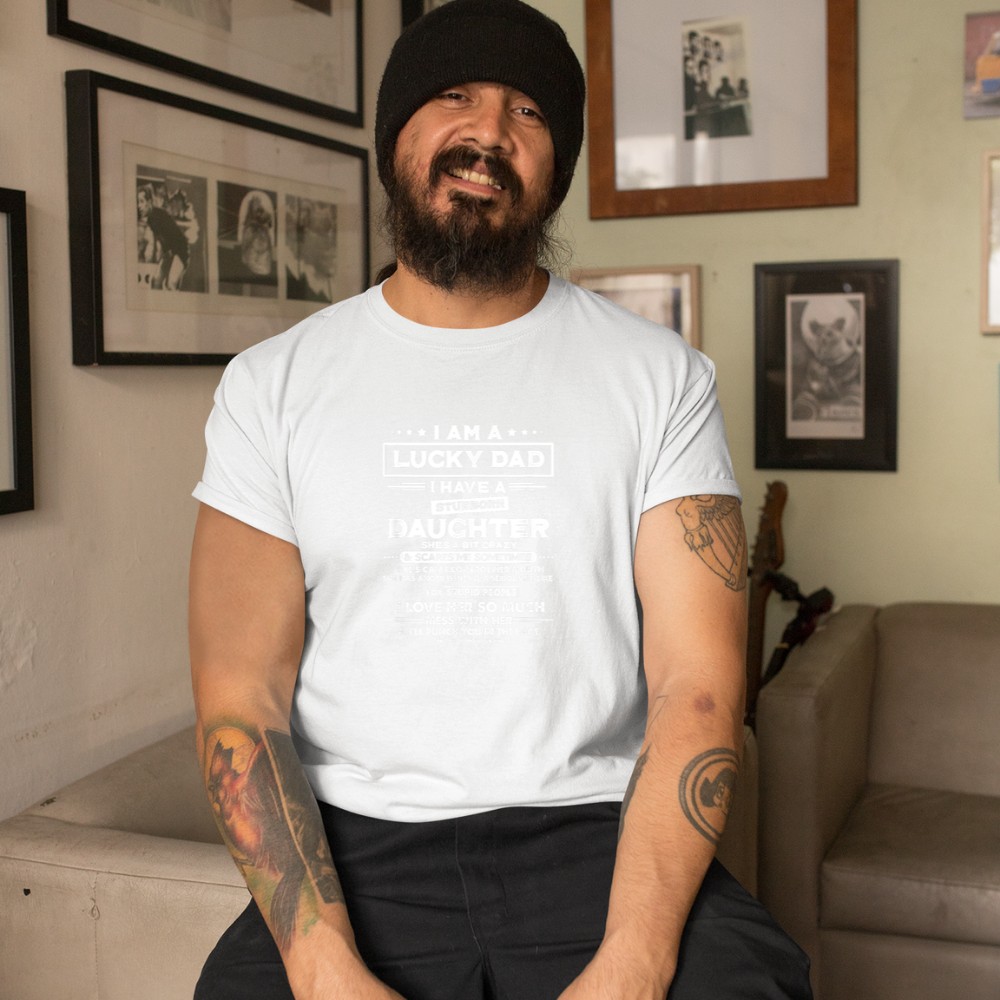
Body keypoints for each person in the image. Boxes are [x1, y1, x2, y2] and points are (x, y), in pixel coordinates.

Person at [188, 2, 813, 999]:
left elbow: (696, 686)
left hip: (595, 831)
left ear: (555, 168)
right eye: (453, 97)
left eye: (527, 111)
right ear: (396, 138)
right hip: (356, 843)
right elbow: (240, 696)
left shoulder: (661, 378)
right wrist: (321, 967)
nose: (488, 132)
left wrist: (635, 960)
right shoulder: (272, 386)